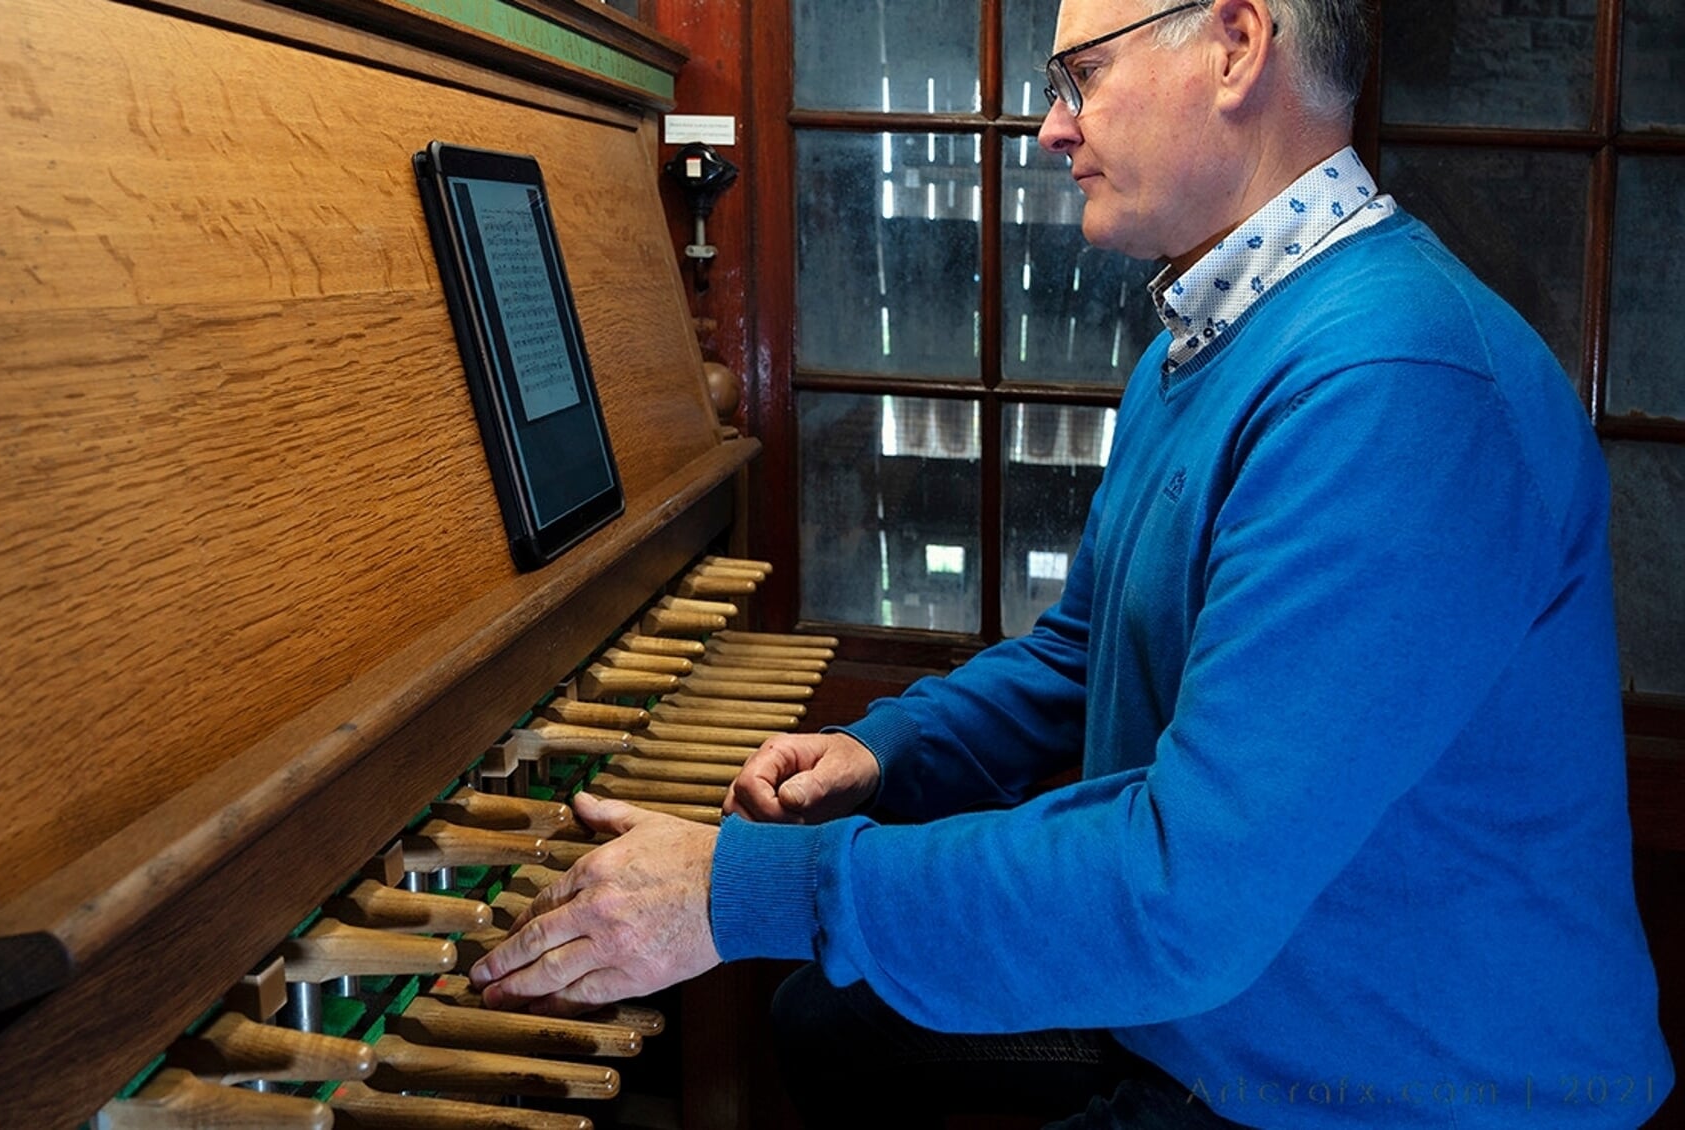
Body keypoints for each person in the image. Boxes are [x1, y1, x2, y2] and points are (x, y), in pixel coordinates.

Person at [470, 0, 1677, 1125]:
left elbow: (1182, 891)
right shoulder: (1205, 342)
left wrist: (742, 892)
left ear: (1238, 44)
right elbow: (1089, 649)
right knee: (832, 1020)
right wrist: (888, 748)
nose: (1052, 126)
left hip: (1400, 1084)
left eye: (1081, 77)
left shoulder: (1395, 385)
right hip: (1238, 1002)